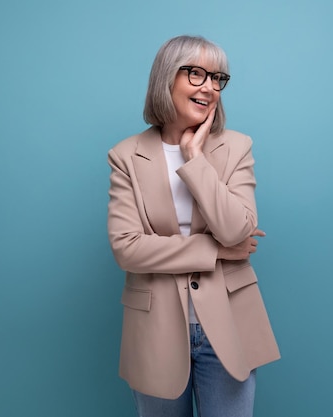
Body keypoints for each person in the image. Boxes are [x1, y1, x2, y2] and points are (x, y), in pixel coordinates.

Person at [107, 35, 280, 417]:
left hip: (229, 327)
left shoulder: (236, 147)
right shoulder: (126, 156)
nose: (209, 87)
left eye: (217, 78)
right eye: (196, 74)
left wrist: (193, 158)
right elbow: (128, 248)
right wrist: (215, 251)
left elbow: (237, 230)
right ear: (166, 78)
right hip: (155, 331)